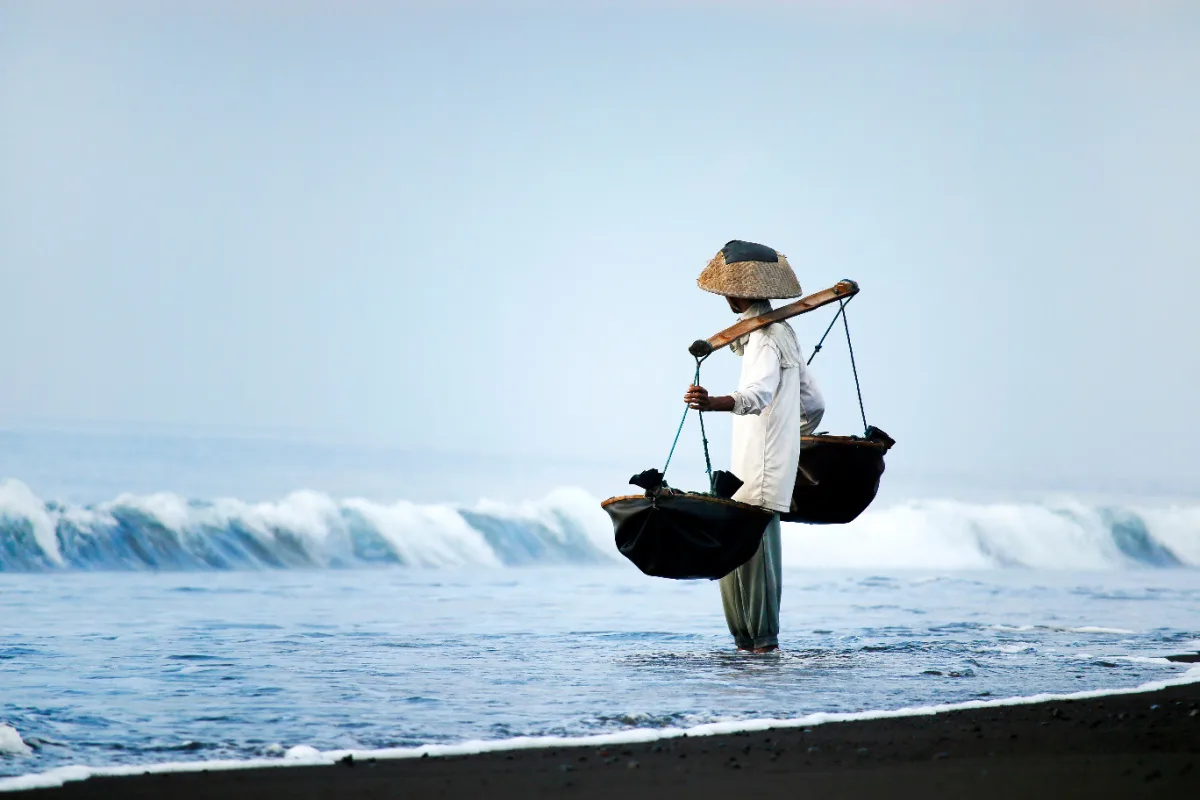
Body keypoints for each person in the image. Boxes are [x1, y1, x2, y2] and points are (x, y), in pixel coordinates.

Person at [683, 240, 825, 653]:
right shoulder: (782, 332)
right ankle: (752, 647)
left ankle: (759, 647)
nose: (726, 298)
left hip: (757, 468)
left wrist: (712, 403)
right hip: (764, 464)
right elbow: (814, 403)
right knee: (744, 553)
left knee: (752, 559)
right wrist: (792, 439)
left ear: (740, 292)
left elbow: (757, 394)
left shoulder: (765, 338)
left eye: (729, 291)